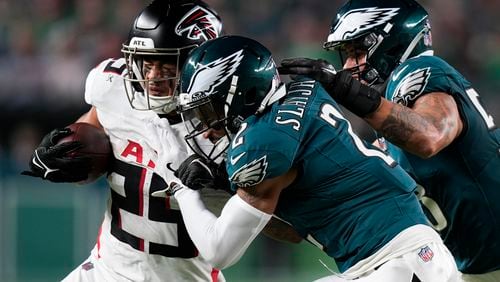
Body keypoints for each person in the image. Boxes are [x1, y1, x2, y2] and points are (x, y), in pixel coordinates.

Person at [157, 34, 461, 281]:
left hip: (397, 262)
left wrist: (182, 188)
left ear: (241, 95)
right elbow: (292, 230)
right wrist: (224, 183)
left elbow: (218, 250)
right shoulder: (293, 104)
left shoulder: (264, 145)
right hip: (408, 258)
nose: (207, 131)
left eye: (207, 112)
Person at [278, 0, 500, 281]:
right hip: (471, 268)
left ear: (393, 44)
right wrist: (246, 194)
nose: (347, 67)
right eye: (345, 55)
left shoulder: (421, 69)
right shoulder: (388, 133)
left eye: (357, 52)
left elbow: (430, 136)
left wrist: (347, 91)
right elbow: (318, 218)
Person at [21, 0, 228, 281]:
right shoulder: (114, 88)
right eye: (146, 62)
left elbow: (274, 219)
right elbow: (92, 128)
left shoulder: (231, 127)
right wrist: (66, 151)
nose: (153, 77)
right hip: (107, 269)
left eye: (167, 64)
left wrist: (224, 184)